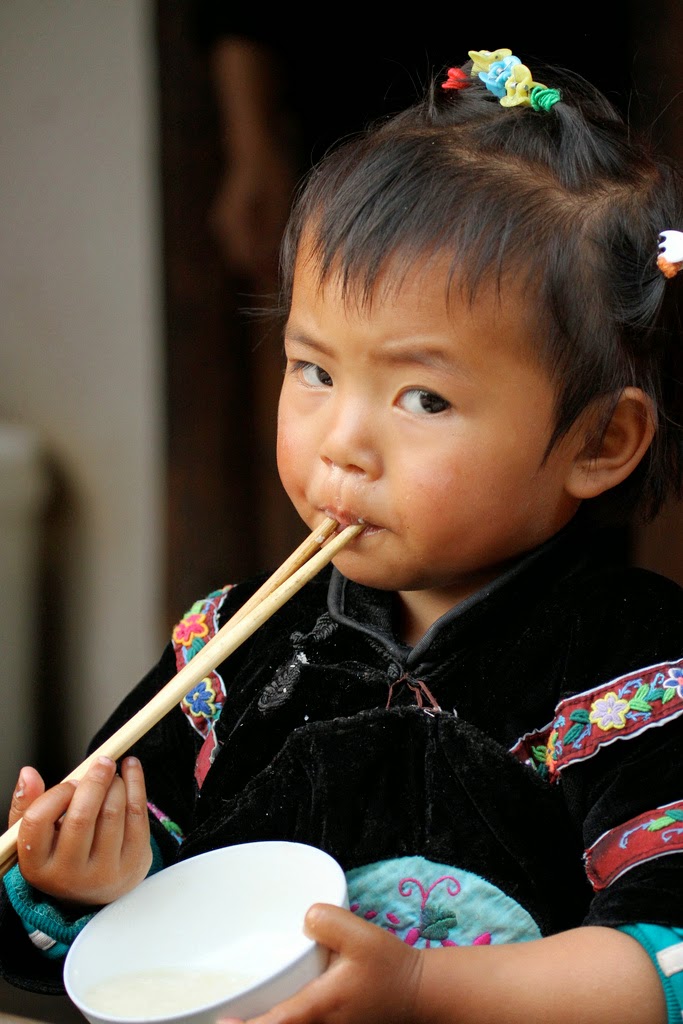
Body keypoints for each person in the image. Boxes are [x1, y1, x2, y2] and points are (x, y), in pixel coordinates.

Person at [2, 46, 683, 1024]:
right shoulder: (229, 651)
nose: (342, 444)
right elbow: (131, 922)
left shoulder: (637, 677)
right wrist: (89, 877)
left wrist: (423, 990)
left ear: (598, 439)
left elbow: (663, 957)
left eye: (421, 396)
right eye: (314, 370)